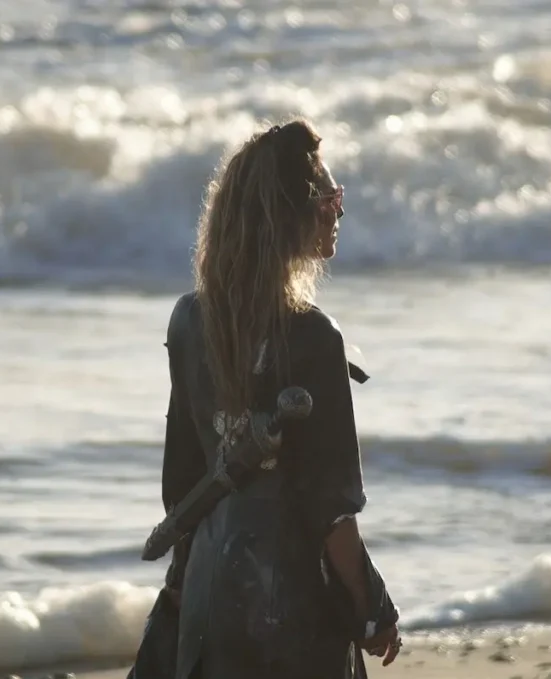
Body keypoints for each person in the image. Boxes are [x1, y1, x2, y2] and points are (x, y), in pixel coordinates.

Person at [150, 119, 400, 679]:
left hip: (209, 603)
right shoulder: (313, 337)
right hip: (296, 616)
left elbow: (182, 489)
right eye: (332, 198)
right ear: (297, 212)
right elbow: (330, 510)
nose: (339, 211)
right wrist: (372, 610)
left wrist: (178, 598)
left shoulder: (190, 320)